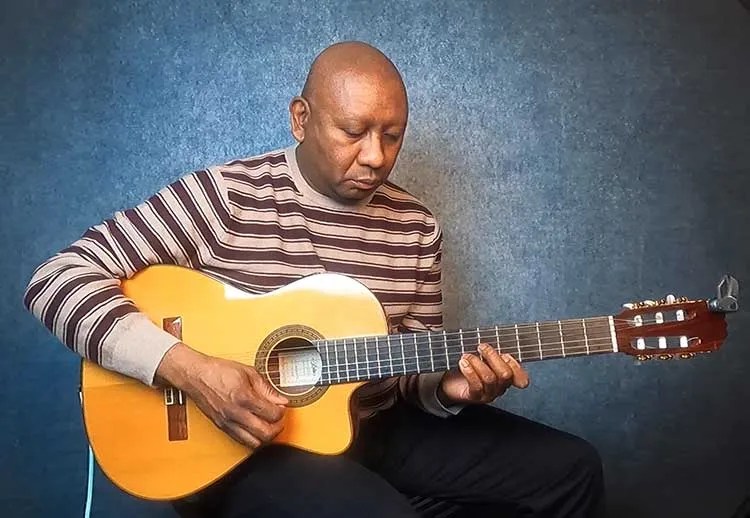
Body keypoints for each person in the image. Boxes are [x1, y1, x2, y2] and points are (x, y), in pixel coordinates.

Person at [24, 41, 604, 517]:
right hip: (237, 444)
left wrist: (448, 390)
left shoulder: (417, 228)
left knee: (570, 469)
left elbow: (409, 375)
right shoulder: (227, 196)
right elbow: (56, 280)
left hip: (371, 428)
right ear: (301, 118)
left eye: (392, 135)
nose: (375, 156)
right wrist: (191, 371)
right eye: (352, 131)